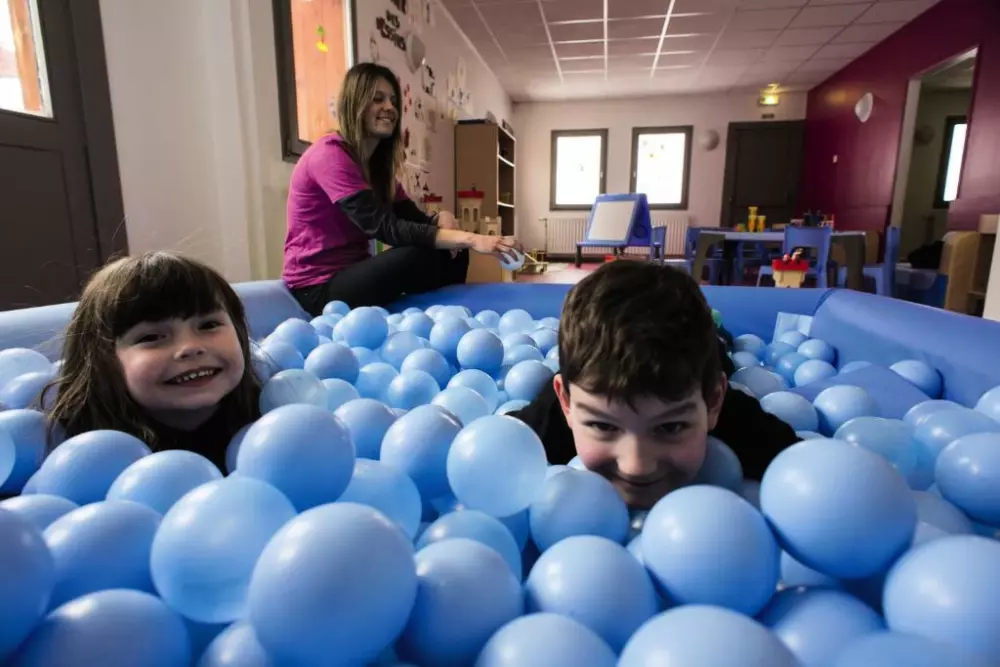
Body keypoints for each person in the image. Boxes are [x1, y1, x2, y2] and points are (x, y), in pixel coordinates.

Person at [511, 261, 799, 509]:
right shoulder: (549, 421)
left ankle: (716, 326)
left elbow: (811, 471)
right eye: (603, 426)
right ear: (567, 402)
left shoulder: (737, 421)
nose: (636, 466)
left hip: (708, 354)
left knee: (720, 349)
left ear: (713, 403)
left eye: (670, 427)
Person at [283, 62, 522, 316]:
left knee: (453, 250)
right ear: (355, 104)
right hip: (316, 288)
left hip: (352, 274)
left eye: (393, 100)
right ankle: (441, 314)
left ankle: (450, 317)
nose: (389, 107)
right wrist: (474, 238)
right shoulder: (329, 155)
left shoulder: (377, 169)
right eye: (377, 99)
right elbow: (386, 228)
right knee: (418, 253)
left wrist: (442, 219)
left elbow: (415, 221)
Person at [43, 252, 260, 473]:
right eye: (151, 337)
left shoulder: (270, 411)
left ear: (239, 332)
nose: (191, 347)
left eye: (208, 325)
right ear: (104, 361)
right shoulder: (76, 450)